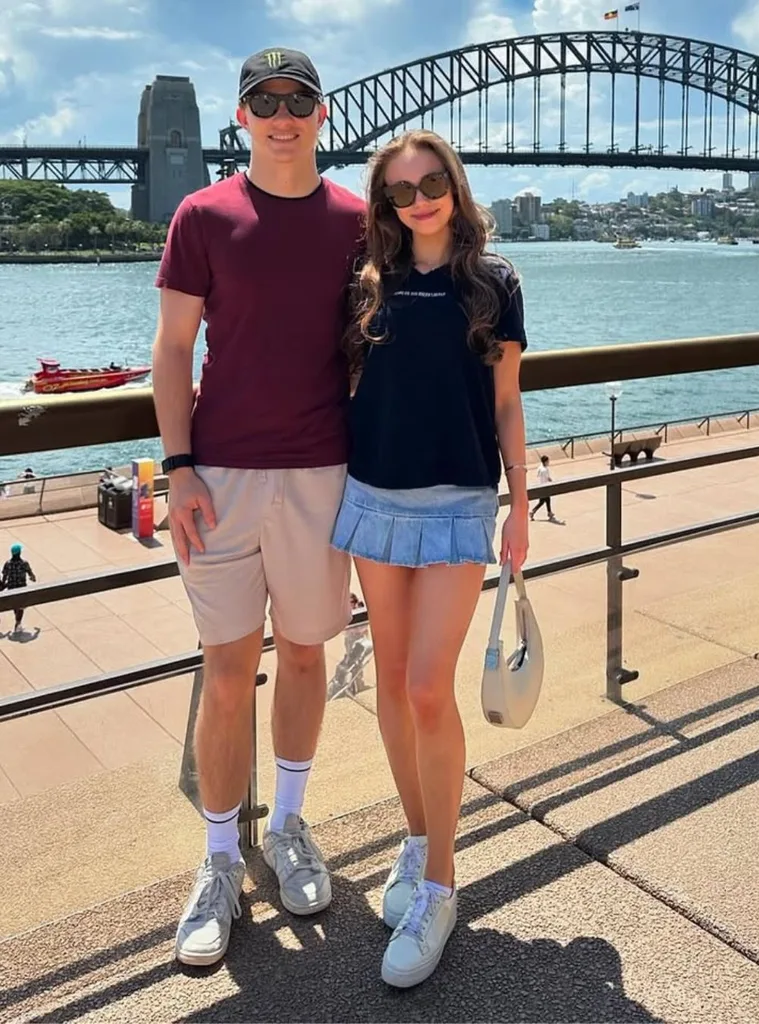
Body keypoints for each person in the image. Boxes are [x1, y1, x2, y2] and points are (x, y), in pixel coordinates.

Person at [151, 47, 365, 967]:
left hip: (325, 472)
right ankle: (218, 859)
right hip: (221, 478)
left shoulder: (360, 221)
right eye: (263, 101)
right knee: (227, 669)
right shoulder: (202, 214)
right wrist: (178, 467)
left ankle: (287, 825)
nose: (282, 115)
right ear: (240, 118)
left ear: (322, 114)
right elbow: (171, 351)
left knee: (308, 656)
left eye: (298, 99)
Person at [333, 129, 529, 987]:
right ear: (384, 204)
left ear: (454, 184)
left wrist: (520, 505)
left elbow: (508, 402)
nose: (418, 200)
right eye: (400, 191)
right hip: (372, 495)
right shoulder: (366, 283)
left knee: (423, 685)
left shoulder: (492, 283)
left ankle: (442, 884)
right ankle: (418, 842)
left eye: (430, 183)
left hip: (456, 499)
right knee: (387, 684)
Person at [2, 543, 36, 635]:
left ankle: (18, 622)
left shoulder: (7, 563)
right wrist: (33, 577)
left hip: (11, 588)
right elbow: (30, 573)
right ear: (19, 552)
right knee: (21, 607)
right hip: (21, 587)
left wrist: (3, 585)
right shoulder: (24, 563)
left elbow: (4, 576)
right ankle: (18, 623)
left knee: (16, 606)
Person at [529, 454, 555, 521]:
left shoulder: (540, 468)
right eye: (548, 461)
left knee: (546, 500)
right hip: (545, 487)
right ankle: (533, 512)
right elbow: (548, 478)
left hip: (540, 486)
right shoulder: (545, 470)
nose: (548, 462)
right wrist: (552, 481)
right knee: (543, 501)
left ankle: (549, 513)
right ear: (545, 462)